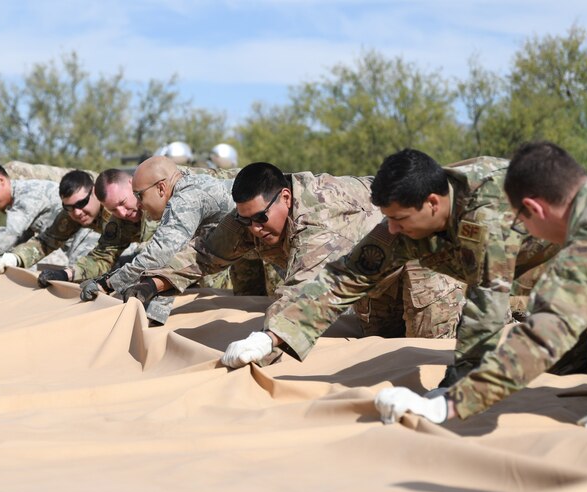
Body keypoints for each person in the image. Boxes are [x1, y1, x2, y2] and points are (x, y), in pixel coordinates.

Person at [375, 141, 587, 429]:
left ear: (533, 208)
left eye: (518, 220)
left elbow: (548, 332)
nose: (522, 231)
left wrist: (448, 404)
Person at [219, 149, 561, 372]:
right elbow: (344, 278)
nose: (391, 230)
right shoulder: (403, 222)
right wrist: (273, 335)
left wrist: (448, 394)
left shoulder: (486, 215)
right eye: (388, 218)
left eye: (399, 220)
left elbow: (485, 309)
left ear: (432, 204)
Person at [124, 162, 464, 343]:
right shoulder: (253, 215)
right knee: (382, 345)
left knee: (424, 352)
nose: (255, 229)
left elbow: (304, 289)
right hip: (373, 275)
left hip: (420, 260)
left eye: (260, 219)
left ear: (285, 198)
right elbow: (206, 252)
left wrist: (268, 340)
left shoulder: (319, 217)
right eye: (247, 221)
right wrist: (155, 283)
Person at [77, 156, 242, 324]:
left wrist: (107, 283)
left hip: (259, 248)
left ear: (161, 188)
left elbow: (159, 254)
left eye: (140, 195)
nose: (139, 204)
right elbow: (174, 259)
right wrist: (155, 316)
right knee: (247, 300)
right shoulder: (180, 188)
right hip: (243, 248)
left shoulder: (187, 198)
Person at [14, 168, 144, 285]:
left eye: (82, 203)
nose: (77, 212)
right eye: (69, 207)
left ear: (94, 192)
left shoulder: (137, 200)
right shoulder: (75, 214)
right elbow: (47, 241)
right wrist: (16, 258)